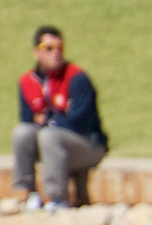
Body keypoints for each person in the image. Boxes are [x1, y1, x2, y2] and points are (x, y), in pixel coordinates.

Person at [12, 26, 108, 212]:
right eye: (49, 48)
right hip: (52, 145)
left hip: (87, 145)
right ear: (36, 52)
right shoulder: (27, 81)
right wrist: (54, 120)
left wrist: (49, 121)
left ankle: (58, 199)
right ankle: (29, 193)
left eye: (59, 48)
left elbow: (80, 121)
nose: (56, 53)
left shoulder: (77, 78)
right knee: (21, 132)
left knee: (49, 135)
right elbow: (27, 119)